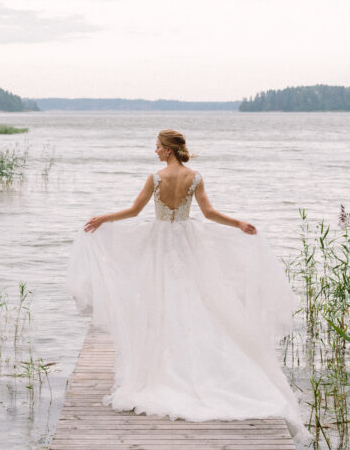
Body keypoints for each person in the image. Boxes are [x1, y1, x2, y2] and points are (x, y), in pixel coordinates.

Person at [68, 129, 306, 439]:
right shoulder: (195, 177)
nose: (155, 151)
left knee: (162, 305)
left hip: (160, 246)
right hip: (187, 244)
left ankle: (165, 371)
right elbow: (208, 213)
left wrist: (103, 219)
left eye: (157, 146)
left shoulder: (155, 178)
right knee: (192, 303)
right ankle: (191, 367)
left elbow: (134, 211)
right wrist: (239, 223)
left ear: (168, 149)